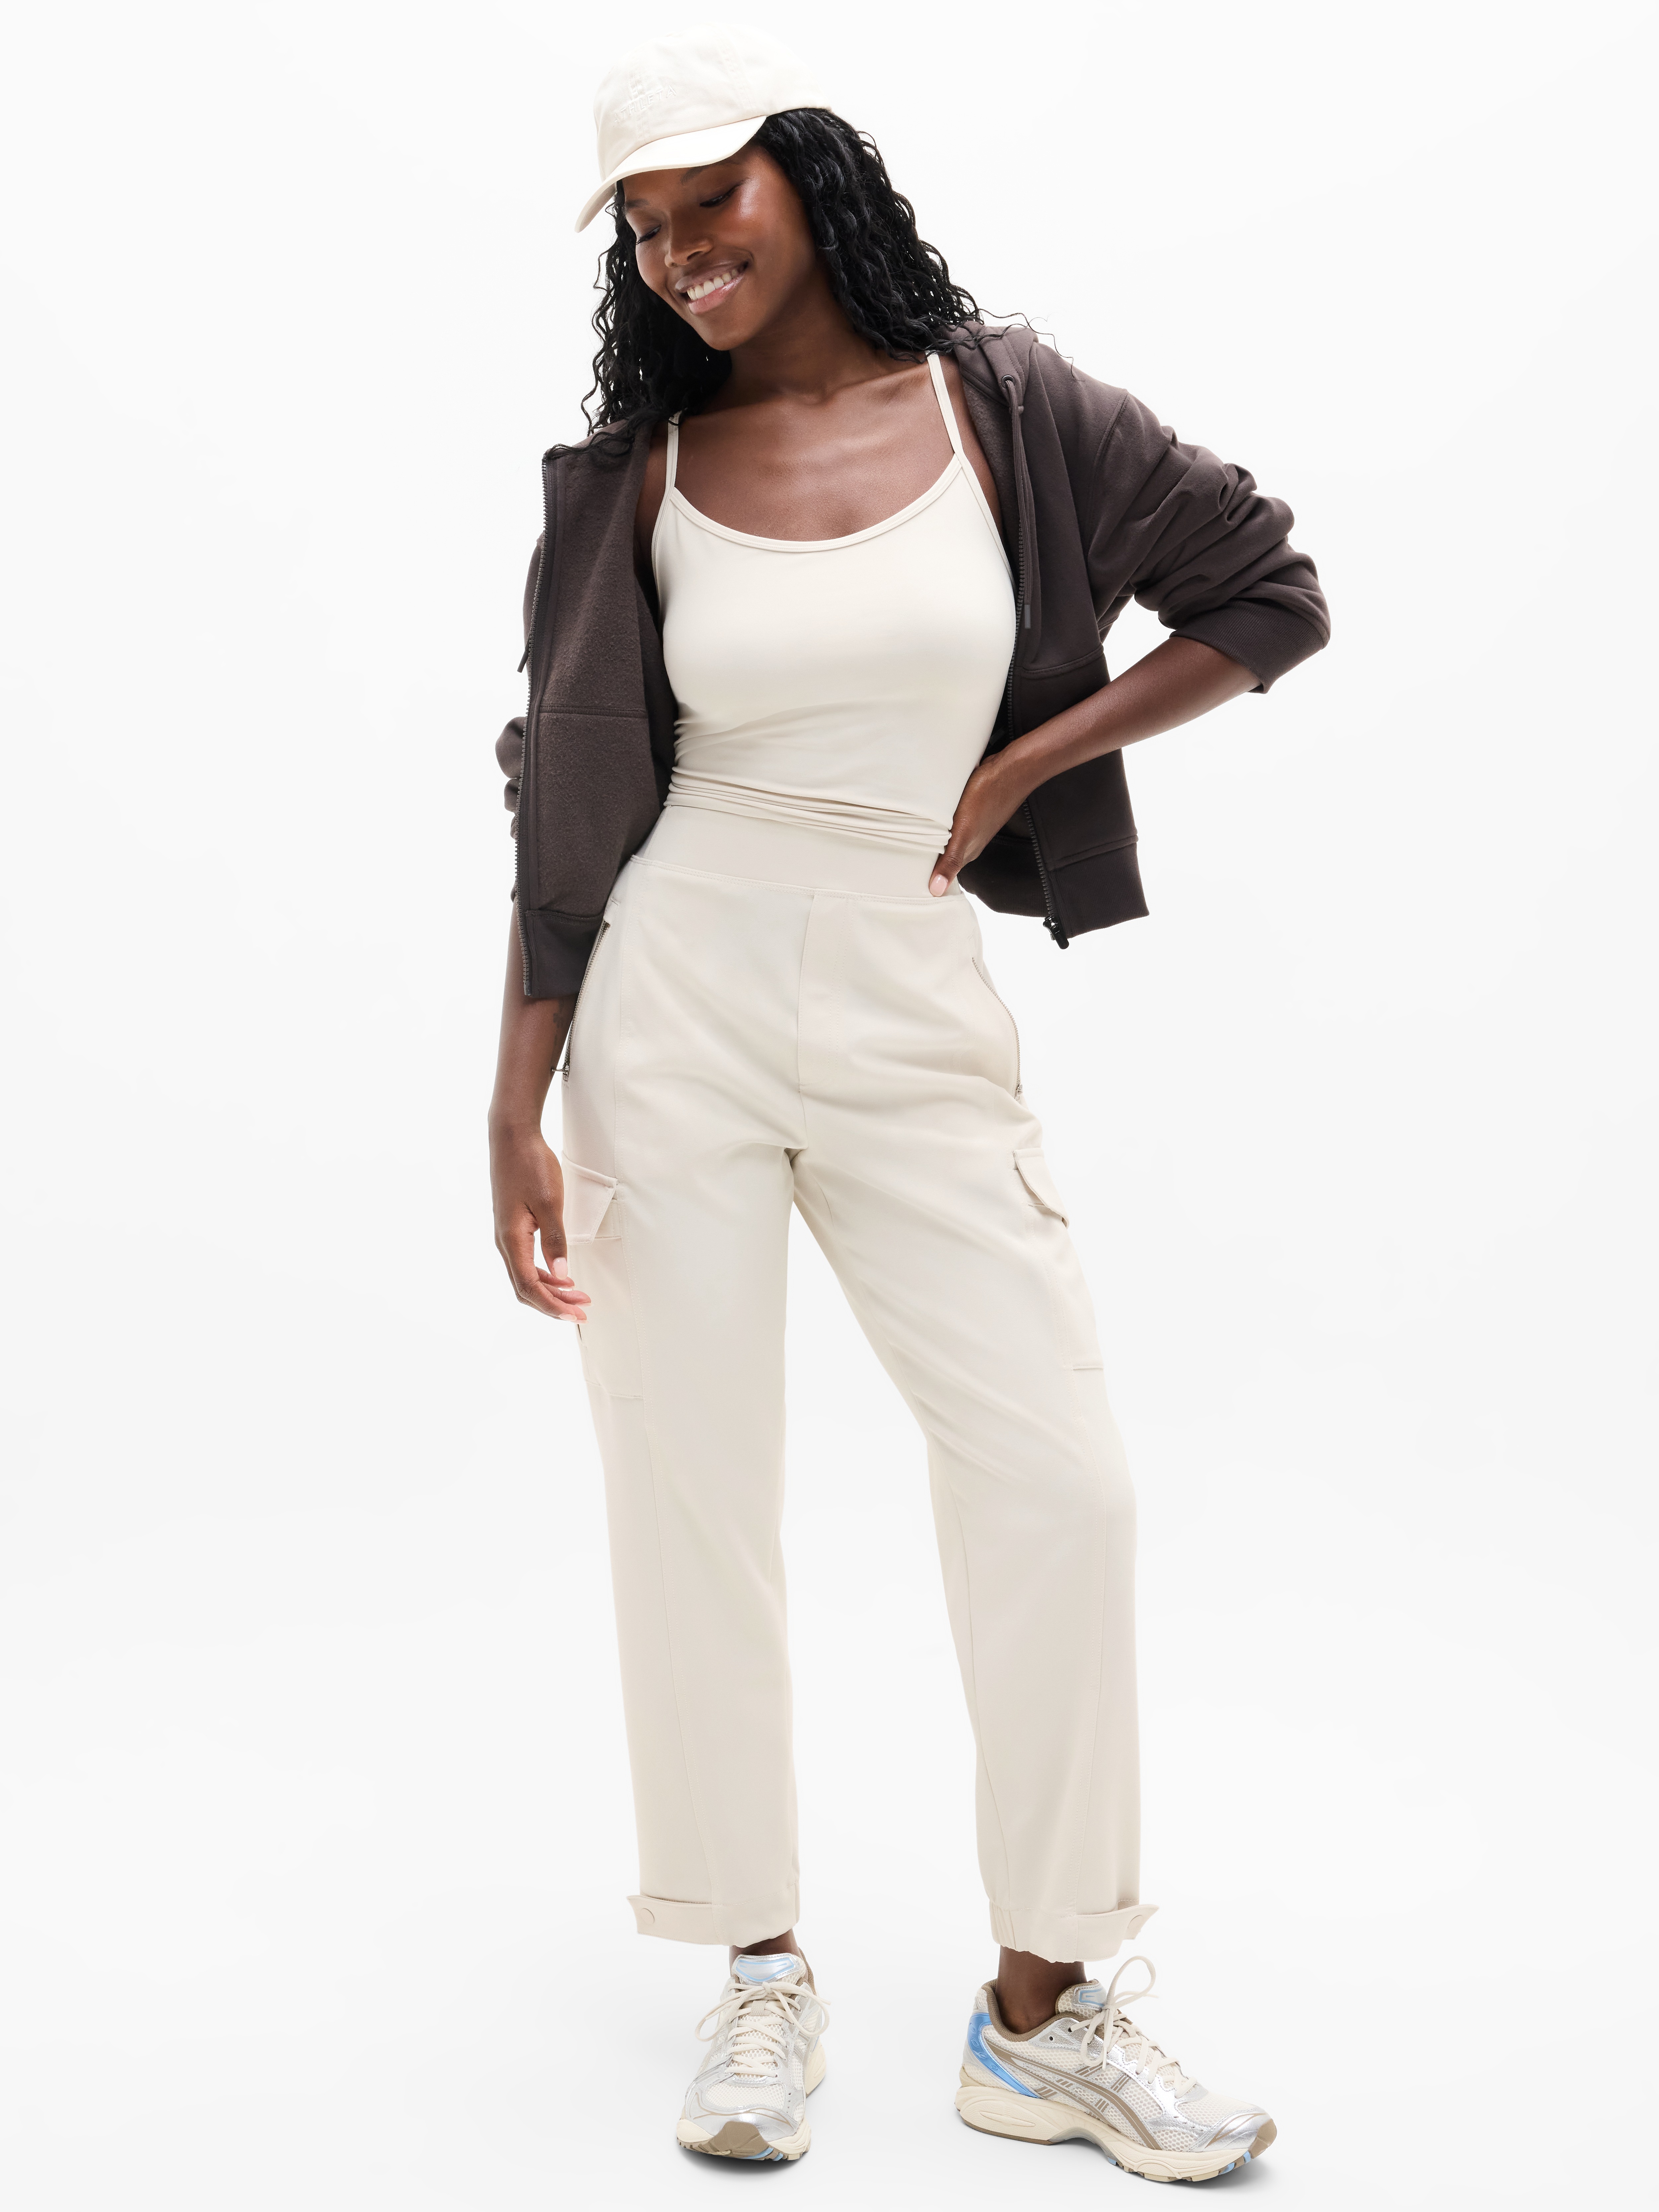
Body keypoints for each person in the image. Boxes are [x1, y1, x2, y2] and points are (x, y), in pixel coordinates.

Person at [487, 24, 1327, 2178]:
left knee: (1061, 1481)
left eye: (715, 202)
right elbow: (558, 790)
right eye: (646, 231)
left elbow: (1263, 592)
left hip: (906, 1000)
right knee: (690, 1494)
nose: (684, 254)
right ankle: (758, 1974)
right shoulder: (634, 480)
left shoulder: (1009, 410)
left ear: (813, 178)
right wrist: (516, 1097)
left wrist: (1032, 760)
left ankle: (1042, 2012)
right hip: (668, 1005)